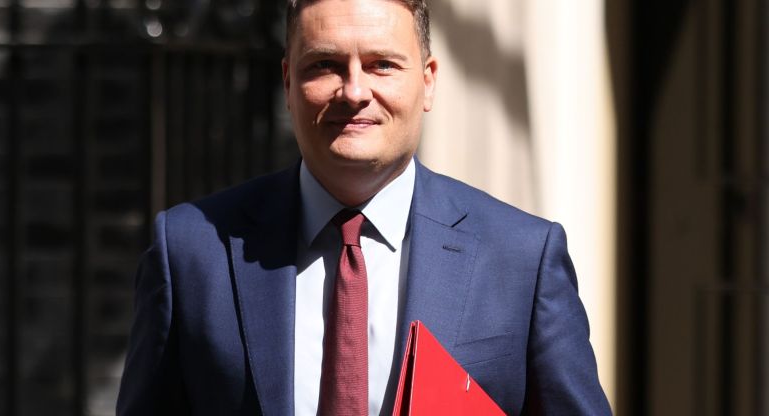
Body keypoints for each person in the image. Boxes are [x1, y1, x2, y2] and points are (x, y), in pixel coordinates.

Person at [116, 0, 612, 414]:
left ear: (429, 81)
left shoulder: (522, 259)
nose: (354, 91)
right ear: (288, 83)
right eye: (325, 65)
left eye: (382, 65)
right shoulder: (191, 250)